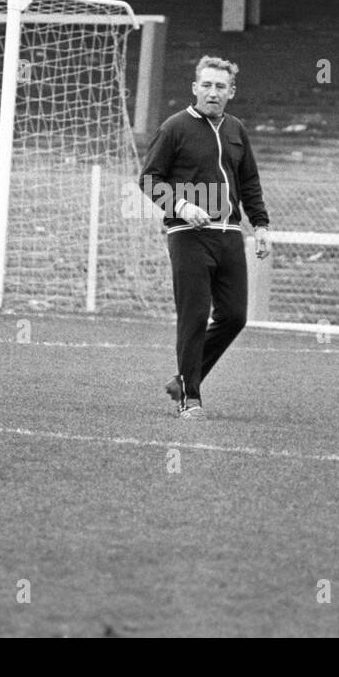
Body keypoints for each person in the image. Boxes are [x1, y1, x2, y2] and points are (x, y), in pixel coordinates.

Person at [139, 55, 271, 420]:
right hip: (188, 235)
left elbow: (249, 183)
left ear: (231, 91)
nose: (213, 93)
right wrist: (181, 207)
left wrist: (260, 226)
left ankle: (185, 378)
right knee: (194, 316)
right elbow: (149, 179)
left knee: (233, 316)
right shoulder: (174, 128)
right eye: (207, 85)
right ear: (195, 88)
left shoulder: (236, 130)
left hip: (229, 234)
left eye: (221, 87)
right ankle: (191, 398)